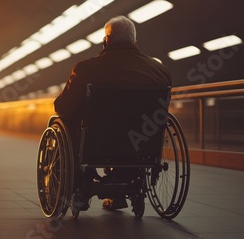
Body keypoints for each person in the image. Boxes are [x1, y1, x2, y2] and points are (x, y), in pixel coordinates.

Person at [54, 16, 172, 210]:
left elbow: (63, 108)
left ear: (106, 41)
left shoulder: (86, 68)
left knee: (67, 117)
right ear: (135, 42)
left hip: (95, 146)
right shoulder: (160, 71)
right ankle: (124, 183)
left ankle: (81, 183)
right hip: (142, 146)